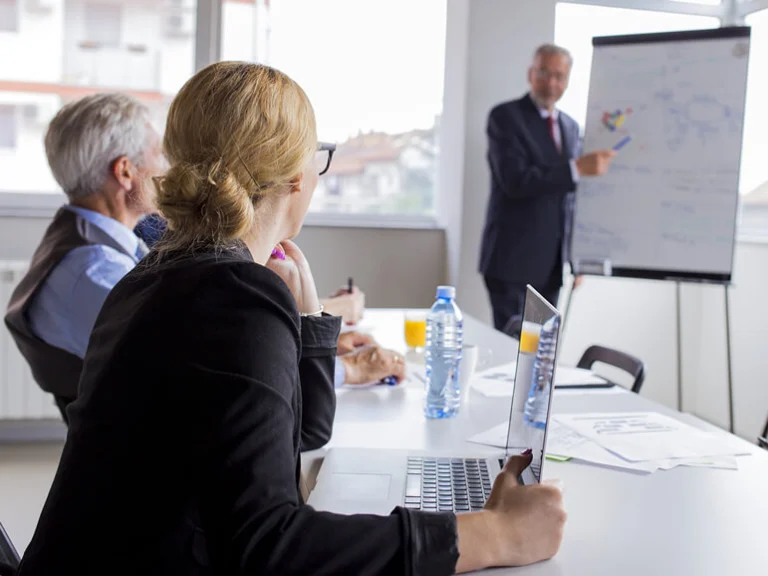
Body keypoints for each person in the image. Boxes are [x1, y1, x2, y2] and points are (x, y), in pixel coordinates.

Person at [17, 62, 566, 575]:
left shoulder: (168, 273)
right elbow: (267, 545)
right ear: (297, 177)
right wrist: (491, 536)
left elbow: (300, 435)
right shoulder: (231, 294)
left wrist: (311, 323)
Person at [4, 93, 164, 421]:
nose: (167, 169)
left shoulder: (83, 236)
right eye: (159, 154)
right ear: (125, 171)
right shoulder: (95, 271)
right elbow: (182, 358)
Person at [138, 214, 401, 387]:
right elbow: (305, 427)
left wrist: (308, 341)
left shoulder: (160, 259)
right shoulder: (226, 283)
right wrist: (347, 367)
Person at [479, 44, 616, 331]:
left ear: (566, 80)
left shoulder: (569, 126)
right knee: (512, 357)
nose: (551, 83)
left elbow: (569, 200)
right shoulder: (505, 118)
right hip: (511, 263)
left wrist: (575, 256)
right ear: (531, 74)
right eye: (544, 73)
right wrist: (576, 168)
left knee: (542, 357)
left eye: (559, 76)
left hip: (552, 267)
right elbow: (515, 181)